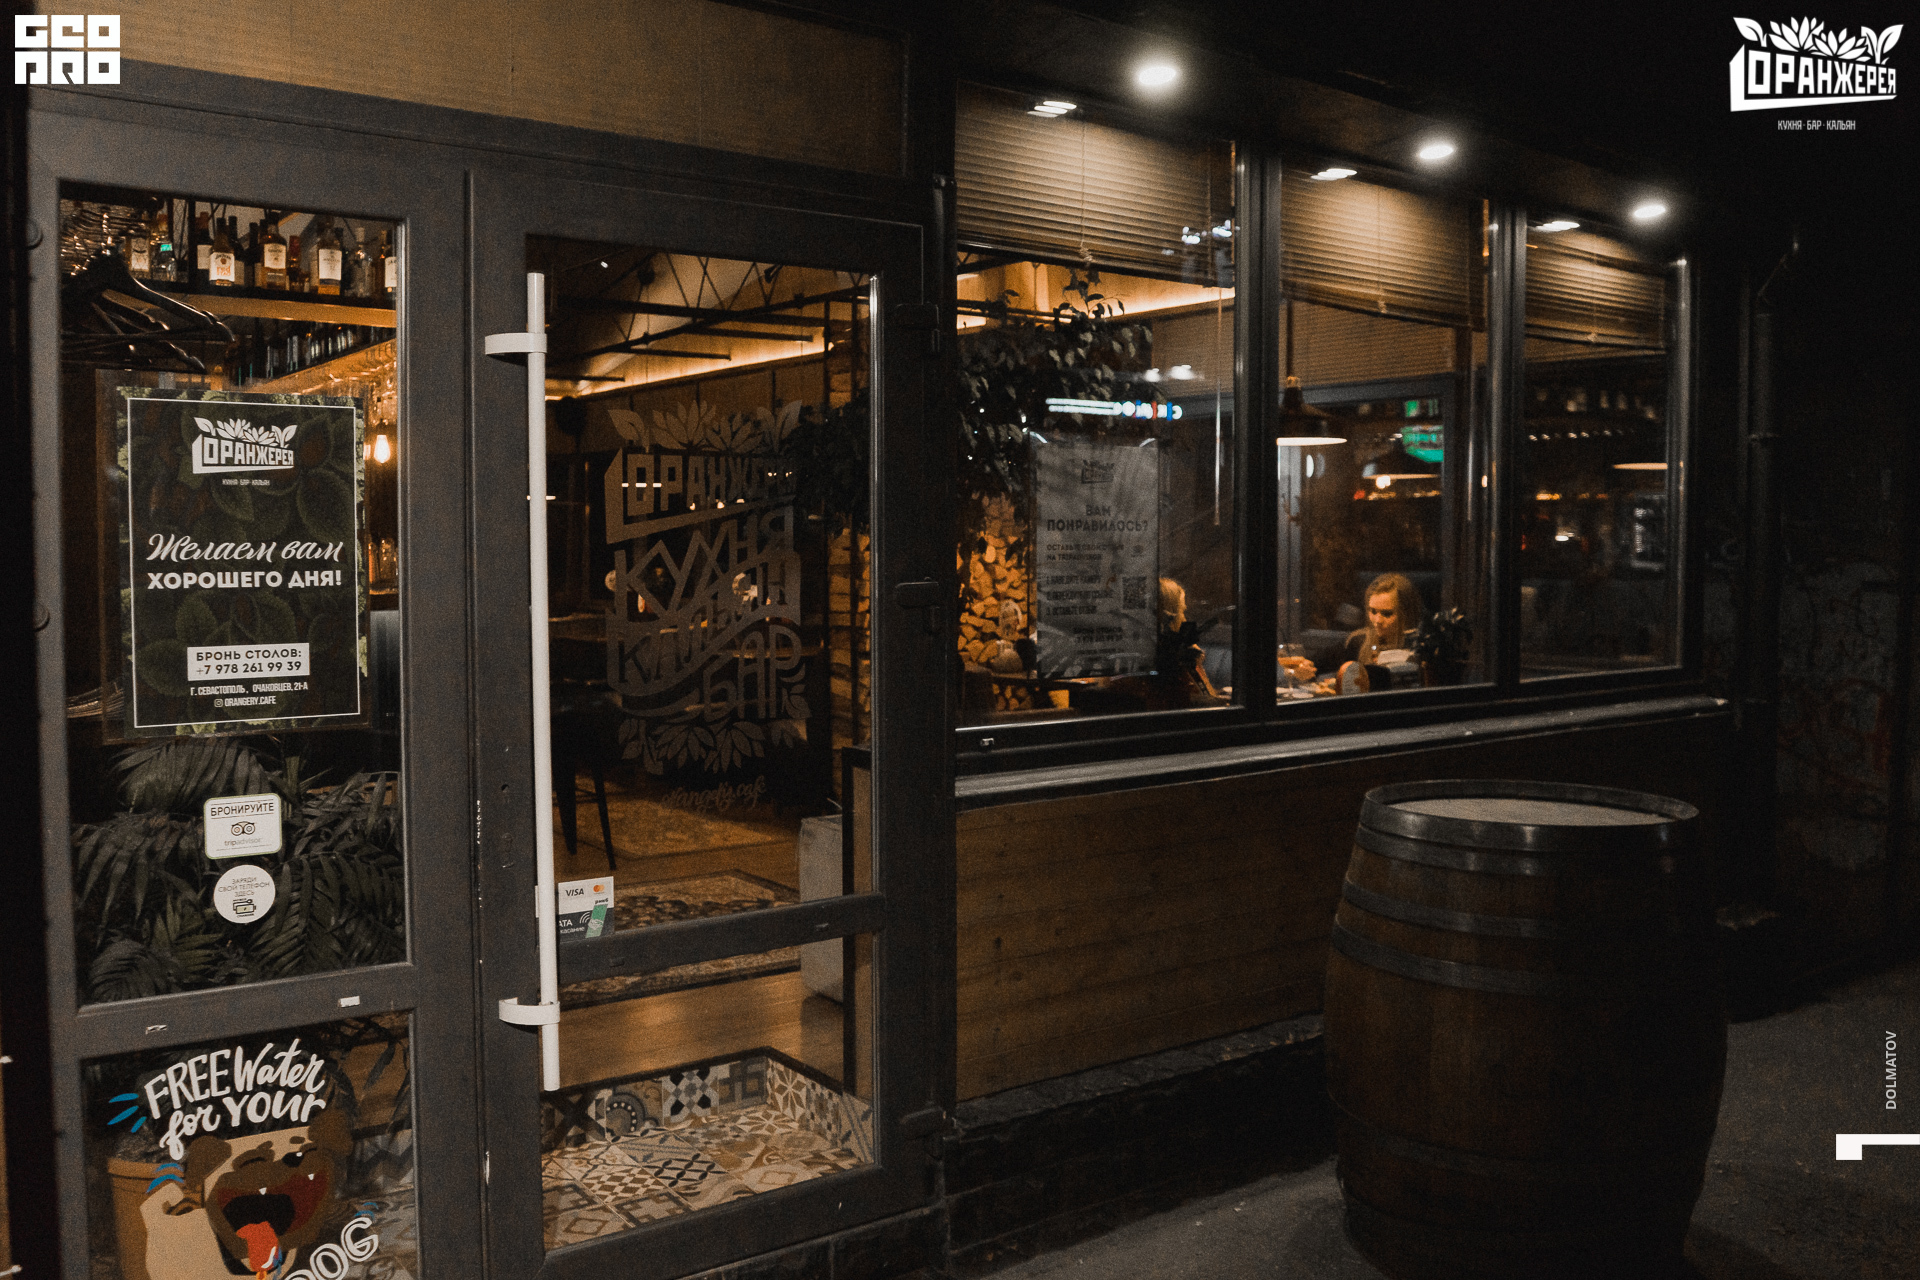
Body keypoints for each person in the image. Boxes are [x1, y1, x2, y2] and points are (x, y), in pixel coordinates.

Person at [1343, 572, 1425, 666]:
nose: (1378, 620)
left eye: (1387, 614)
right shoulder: (1358, 641)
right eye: (1373, 611)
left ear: (1406, 614)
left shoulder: (1420, 645)